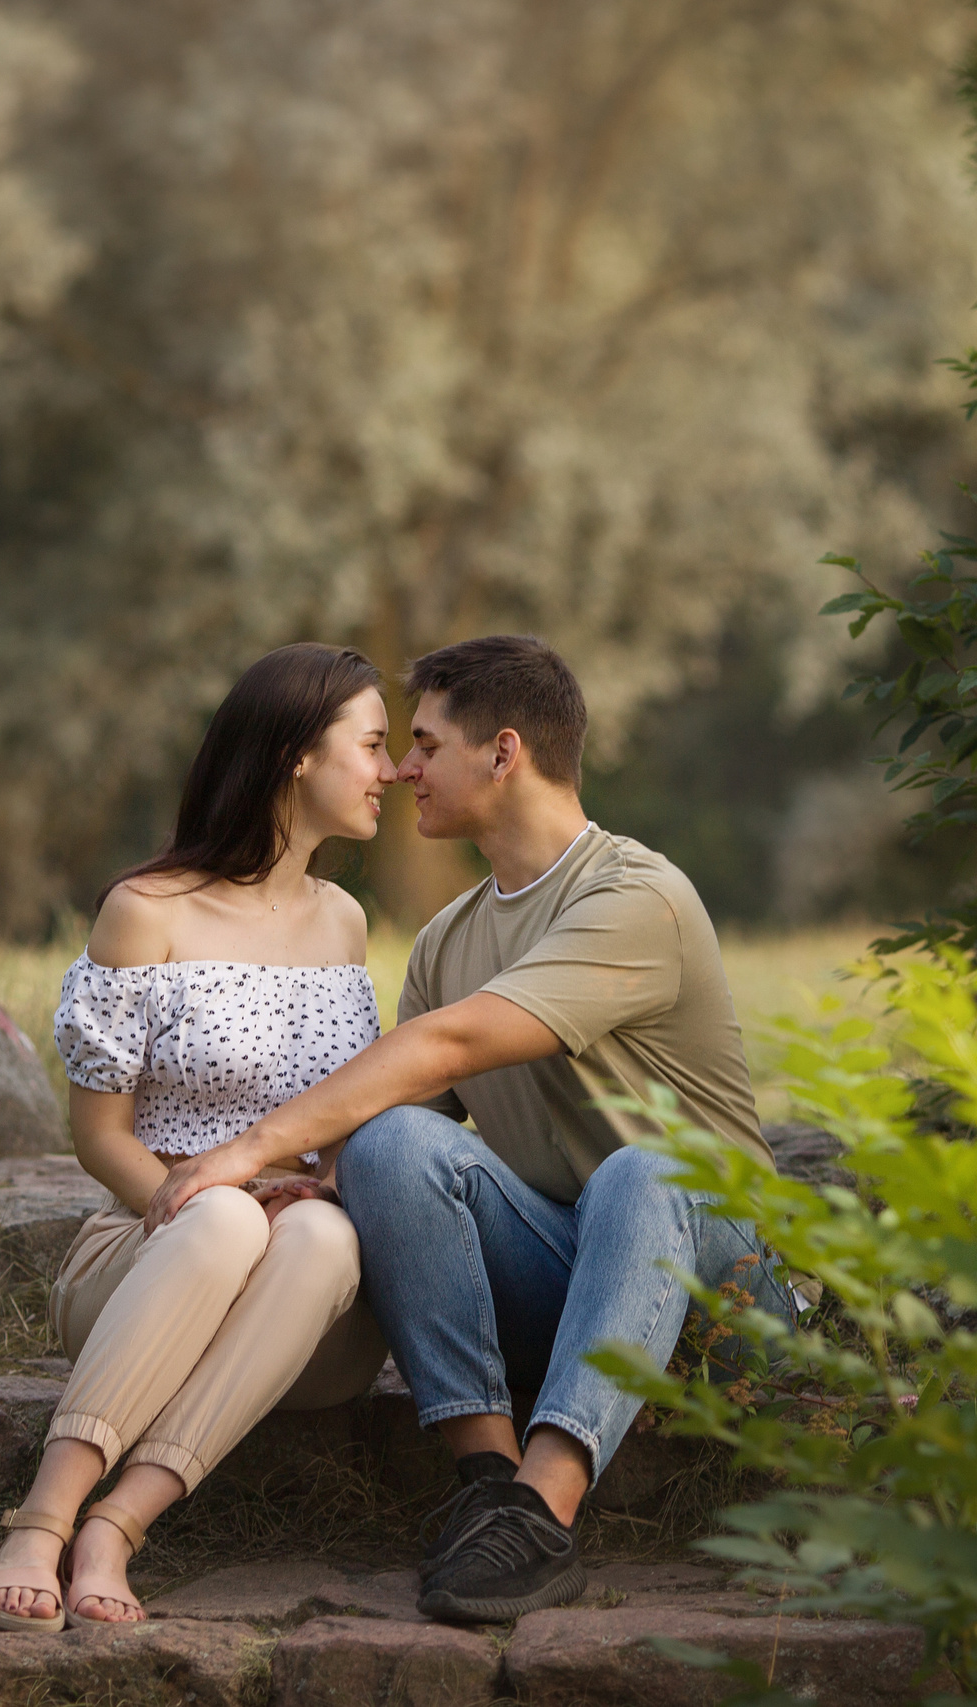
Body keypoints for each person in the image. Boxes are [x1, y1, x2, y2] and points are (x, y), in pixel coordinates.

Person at [144, 633, 789, 1624]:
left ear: (503, 751)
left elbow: (450, 1046)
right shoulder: (448, 941)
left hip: (719, 1289)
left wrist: (246, 1147)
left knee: (642, 1172)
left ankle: (543, 1510)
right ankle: (488, 1485)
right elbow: (409, 1141)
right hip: (571, 1276)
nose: (401, 768)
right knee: (388, 1141)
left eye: (425, 743)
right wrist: (309, 1180)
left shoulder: (635, 896)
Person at [0, 642, 400, 1632]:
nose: (389, 773)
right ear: (296, 754)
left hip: (308, 1317)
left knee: (322, 1233)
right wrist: (203, 1198)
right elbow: (98, 1137)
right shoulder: (145, 912)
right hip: (151, 1259)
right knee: (222, 1225)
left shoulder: (345, 921)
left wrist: (320, 1181)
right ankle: (41, 1524)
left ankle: (116, 1527)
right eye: (371, 746)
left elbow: (347, 1112)